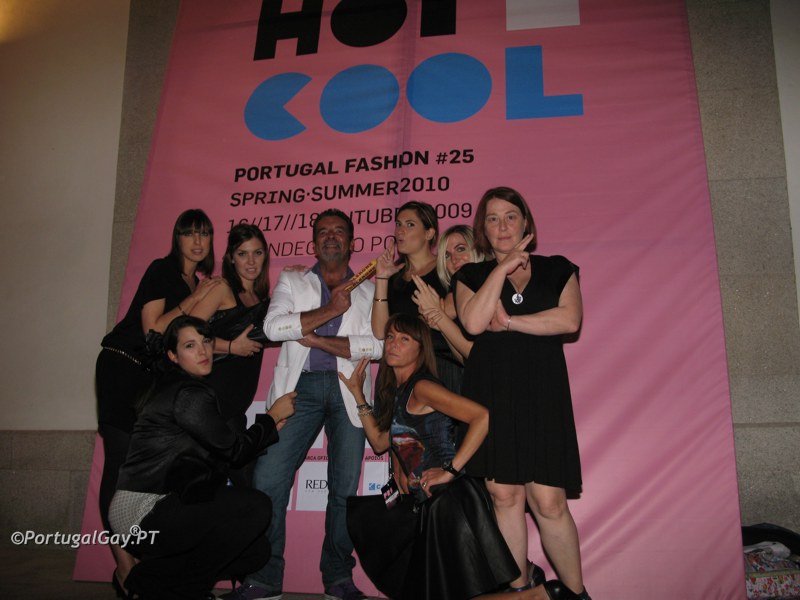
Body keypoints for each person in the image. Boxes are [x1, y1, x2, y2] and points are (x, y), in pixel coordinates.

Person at [227, 209, 383, 600]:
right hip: (298, 390)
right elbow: (272, 327)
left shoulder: (369, 290)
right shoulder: (292, 279)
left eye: (339, 231)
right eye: (323, 231)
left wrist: (316, 339)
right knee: (268, 480)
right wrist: (329, 311)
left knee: (344, 489)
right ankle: (265, 579)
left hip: (350, 391)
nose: (330, 236)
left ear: (352, 242)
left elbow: (378, 346)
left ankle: (338, 579)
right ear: (313, 244)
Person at [342, 313, 544, 600]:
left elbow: (482, 417)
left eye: (404, 339)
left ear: (420, 348)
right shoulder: (401, 392)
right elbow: (378, 442)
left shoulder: (423, 387)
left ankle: (538, 596)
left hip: (450, 503)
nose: (394, 344)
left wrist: (450, 470)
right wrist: (358, 395)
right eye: (390, 337)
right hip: (429, 503)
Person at [453, 187, 591, 600]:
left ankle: (576, 594)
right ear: (483, 229)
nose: (502, 226)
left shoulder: (558, 269)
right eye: (492, 219)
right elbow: (474, 323)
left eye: (510, 216)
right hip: (492, 394)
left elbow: (569, 320)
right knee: (504, 495)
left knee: (549, 502)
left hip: (542, 394)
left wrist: (511, 323)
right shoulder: (470, 276)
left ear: (526, 222)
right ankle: (519, 591)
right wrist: (501, 269)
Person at [108, 315, 296, 600]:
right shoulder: (187, 393)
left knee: (255, 553)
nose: (203, 351)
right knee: (256, 507)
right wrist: (270, 417)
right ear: (172, 356)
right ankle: (176, 587)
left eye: (206, 341)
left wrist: (267, 429)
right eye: (190, 345)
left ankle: (152, 580)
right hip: (141, 511)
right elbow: (234, 451)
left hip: (167, 503)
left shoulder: (180, 387)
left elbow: (223, 454)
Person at [96, 209, 221, 593]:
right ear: (177, 238)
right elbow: (153, 330)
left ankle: (149, 563)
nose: (197, 241)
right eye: (189, 233)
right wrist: (195, 297)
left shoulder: (195, 282)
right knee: (120, 466)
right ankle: (124, 566)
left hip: (150, 381)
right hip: (122, 366)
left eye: (204, 234)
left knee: (144, 471)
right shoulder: (162, 270)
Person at [372, 201, 463, 394]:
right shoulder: (394, 277)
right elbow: (380, 331)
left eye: (410, 224)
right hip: (399, 372)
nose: (400, 231)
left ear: (429, 233)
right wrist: (381, 278)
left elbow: (451, 309)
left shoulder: (446, 268)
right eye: (398, 224)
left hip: (440, 368)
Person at [189, 225, 269, 428]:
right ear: (231, 258)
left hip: (236, 405)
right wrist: (232, 347)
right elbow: (188, 333)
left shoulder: (261, 299)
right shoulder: (223, 288)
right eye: (243, 254)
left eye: (257, 253)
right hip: (210, 399)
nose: (251, 261)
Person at [414, 224, 485, 363]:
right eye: (447, 255)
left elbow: (477, 355)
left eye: (460, 249)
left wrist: (438, 314)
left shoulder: (491, 284)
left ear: (477, 248)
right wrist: (441, 323)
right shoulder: (457, 292)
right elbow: (465, 359)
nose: (454, 258)